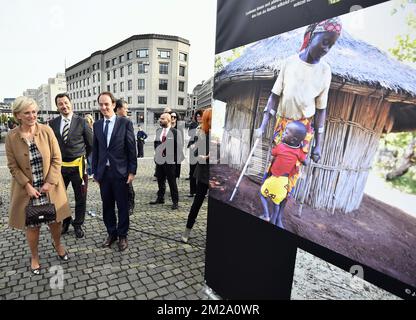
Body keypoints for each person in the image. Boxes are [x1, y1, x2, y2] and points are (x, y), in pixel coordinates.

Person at [255, 17, 342, 220]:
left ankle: (278, 217)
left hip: (303, 130)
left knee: (290, 176)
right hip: (283, 126)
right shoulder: (290, 63)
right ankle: (268, 210)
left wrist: (318, 145)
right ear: (312, 36)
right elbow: (274, 97)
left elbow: (321, 110)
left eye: (332, 44)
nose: (327, 48)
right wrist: (262, 125)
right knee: (275, 169)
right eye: (325, 41)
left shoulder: (325, 71)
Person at [5, 97, 71, 274]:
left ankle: (58, 245)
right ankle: (34, 257)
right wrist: (26, 186)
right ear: (18, 115)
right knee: (33, 226)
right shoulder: (11, 137)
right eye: (27, 112)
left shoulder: (47, 131)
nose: (32, 116)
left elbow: (57, 159)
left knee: (55, 223)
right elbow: (13, 166)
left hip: (50, 189)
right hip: (28, 192)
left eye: (34, 112)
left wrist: (50, 182)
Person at [92, 92, 137, 251]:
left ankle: (122, 235)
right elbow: (95, 150)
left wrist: (132, 171)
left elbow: (131, 148)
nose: (103, 107)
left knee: (123, 205)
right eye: (101, 104)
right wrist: (95, 173)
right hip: (104, 174)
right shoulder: (97, 125)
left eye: (106, 104)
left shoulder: (124, 123)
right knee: (107, 205)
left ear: (113, 105)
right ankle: (112, 233)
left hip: (121, 172)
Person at [49, 93, 93, 238]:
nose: (64, 106)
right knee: (60, 198)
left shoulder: (82, 122)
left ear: (71, 103)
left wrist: (82, 157)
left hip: (78, 168)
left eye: (66, 102)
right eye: (60, 104)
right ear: (57, 107)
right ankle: (66, 221)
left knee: (81, 197)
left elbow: (91, 144)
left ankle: (78, 224)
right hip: (60, 168)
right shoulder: (53, 124)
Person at [259, 122, 309, 228]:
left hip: (273, 178)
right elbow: (304, 161)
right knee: (276, 204)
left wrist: (277, 142)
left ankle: (266, 215)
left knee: (262, 194)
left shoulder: (280, 147)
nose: (283, 134)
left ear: (293, 139)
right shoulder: (299, 152)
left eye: (286, 132)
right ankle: (273, 220)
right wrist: (305, 160)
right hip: (284, 183)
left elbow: (273, 153)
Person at [181, 108, 211, 243]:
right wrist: (203, 156)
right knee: (197, 202)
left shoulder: (219, 134)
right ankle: (187, 230)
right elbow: (195, 154)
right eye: (209, 119)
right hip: (204, 172)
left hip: (217, 174)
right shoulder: (201, 132)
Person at [150, 112, 181, 210]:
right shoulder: (158, 131)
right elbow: (156, 143)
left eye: (162, 118)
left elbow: (178, 148)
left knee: (172, 182)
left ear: (168, 120)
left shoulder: (176, 132)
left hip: (170, 161)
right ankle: (160, 198)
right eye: (160, 118)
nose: (160, 120)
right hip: (160, 161)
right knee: (160, 180)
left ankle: (175, 201)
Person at [114, 99, 135, 216]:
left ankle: (130, 206)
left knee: (128, 185)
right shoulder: (111, 121)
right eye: (125, 108)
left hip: (125, 162)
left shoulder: (127, 122)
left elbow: (131, 145)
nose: (127, 110)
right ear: (117, 109)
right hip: (114, 162)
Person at [186, 109, 204, 197]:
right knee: (192, 170)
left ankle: (202, 191)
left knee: (201, 171)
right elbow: (190, 134)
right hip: (193, 149)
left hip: (202, 151)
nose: (199, 117)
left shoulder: (207, 126)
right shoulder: (193, 124)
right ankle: (192, 191)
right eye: (197, 116)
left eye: (200, 116)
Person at [170, 111, 185, 179]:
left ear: (176, 118)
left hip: (178, 147)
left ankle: (176, 175)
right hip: (169, 147)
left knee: (177, 161)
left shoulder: (179, 127)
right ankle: (170, 174)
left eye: (174, 117)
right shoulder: (168, 125)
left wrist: (181, 147)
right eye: (171, 116)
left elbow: (182, 137)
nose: (173, 118)